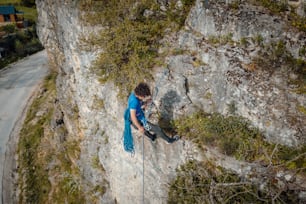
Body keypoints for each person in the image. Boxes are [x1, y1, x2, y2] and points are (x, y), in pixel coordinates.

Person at [123, 82, 179, 153]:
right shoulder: (134, 101)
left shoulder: (134, 95)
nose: (144, 97)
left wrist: (145, 103)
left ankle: (152, 137)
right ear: (141, 95)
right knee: (157, 129)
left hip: (134, 118)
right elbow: (133, 116)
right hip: (136, 120)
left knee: (145, 129)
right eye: (144, 96)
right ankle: (169, 140)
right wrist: (139, 127)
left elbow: (137, 105)